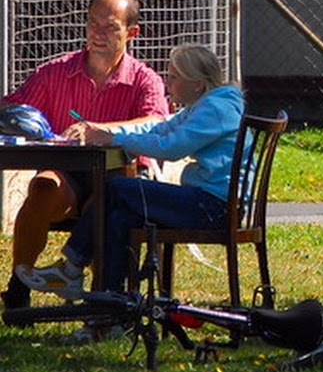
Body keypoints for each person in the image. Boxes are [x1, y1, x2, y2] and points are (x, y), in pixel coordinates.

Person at [16, 45, 244, 308]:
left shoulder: (215, 109)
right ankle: (110, 311)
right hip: (207, 201)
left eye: (175, 77)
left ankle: (71, 268)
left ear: (198, 84)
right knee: (119, 218)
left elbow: (171, 148)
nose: (168, 82)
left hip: (213, 207)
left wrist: (114, 138)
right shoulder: (206, 105)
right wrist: (104, 130)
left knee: (116, 188)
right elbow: (157, 126)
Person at [0, 0, 168, 311]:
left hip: (118, 175)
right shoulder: (55, 72)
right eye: (92, 24)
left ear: (132, 33)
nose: (98, 34)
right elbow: (13, 110)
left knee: (112, 201)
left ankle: (101, 298)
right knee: (44, 186)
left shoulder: (144, 80)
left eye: (110, 27)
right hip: (68, 174)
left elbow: (157, 122)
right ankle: (19, 285)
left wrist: (101, 130)